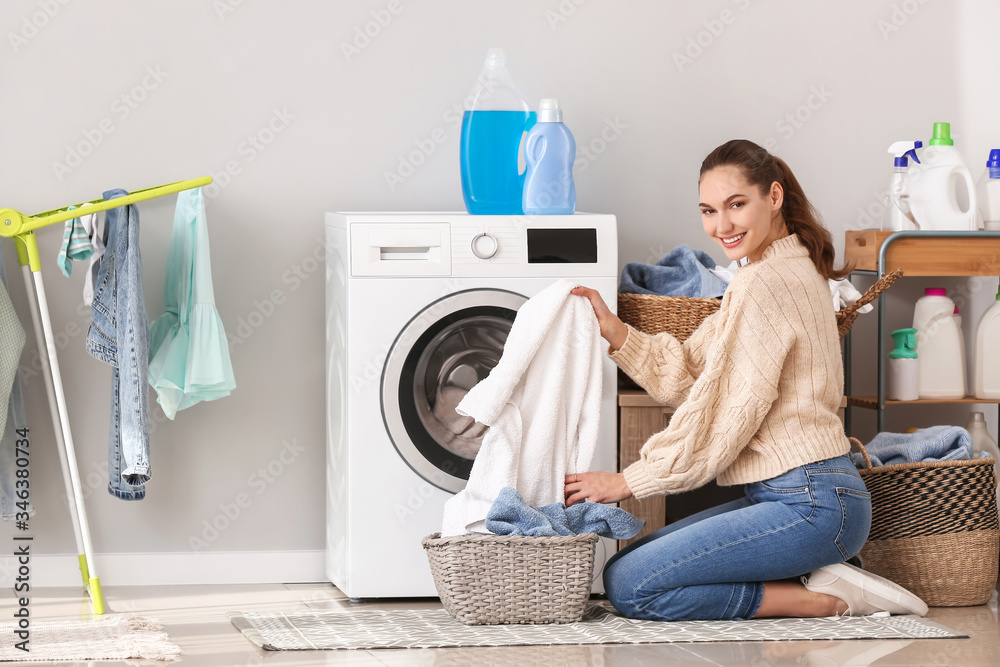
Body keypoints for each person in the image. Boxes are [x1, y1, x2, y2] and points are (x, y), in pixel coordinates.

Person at [568, 139, 928, 622]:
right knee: (623, 571)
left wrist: (628, 481)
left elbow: (726, 413)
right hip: (808, 498)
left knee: (633, 586)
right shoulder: (768, 273)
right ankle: (815, 575)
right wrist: (619, 334)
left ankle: (826, 601)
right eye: (709, 211)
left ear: (773, 197)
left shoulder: (766, 282)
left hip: (812, 504)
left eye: (736, 205)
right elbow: (698, 376)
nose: (722, 226)